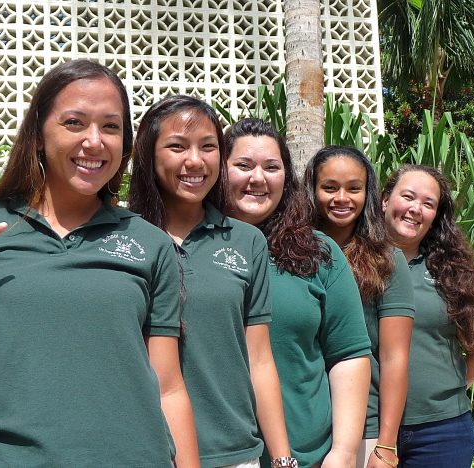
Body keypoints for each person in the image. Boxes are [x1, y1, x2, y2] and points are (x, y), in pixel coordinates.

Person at [0, 59, 200, 467]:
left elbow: (168, 388)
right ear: (39, 134)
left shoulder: (149, 242)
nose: (95, 141)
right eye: (74, 123)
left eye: (111, 127)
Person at [129, 99, 296, 468]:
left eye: (208, 147)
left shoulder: (246, 241)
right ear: (148, 154)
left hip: (233, 452)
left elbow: (259, 358)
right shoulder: (121, 239)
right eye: (177, 146)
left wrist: (283, 457)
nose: (195, 161)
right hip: (142, 449)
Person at [225, 119, 372, 467]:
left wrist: (344, 451)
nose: (257, 178)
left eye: (271, 167)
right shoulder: (190, 249)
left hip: (307, 455)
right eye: (244, 166)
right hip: (218, 454)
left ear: (286, 177)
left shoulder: (317, 252)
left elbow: (349, 354)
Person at [304, 146, 415, 468]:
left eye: (354, 188)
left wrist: (386, 445)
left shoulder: (386, 260)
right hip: (301, 421)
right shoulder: (292, 253)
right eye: (329, 188)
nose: (342, 198)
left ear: (368, 194)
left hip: (364, 425)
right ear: (311, 190)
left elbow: (395, 358)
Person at [381, 164, 474, 467]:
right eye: (407, 196)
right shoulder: (353, 262)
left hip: (441, 432)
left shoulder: (451, 272)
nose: (415, 209)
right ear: (384, 200)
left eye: (428, 203)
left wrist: (445, 393)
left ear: (436, 216)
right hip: (368, 427)